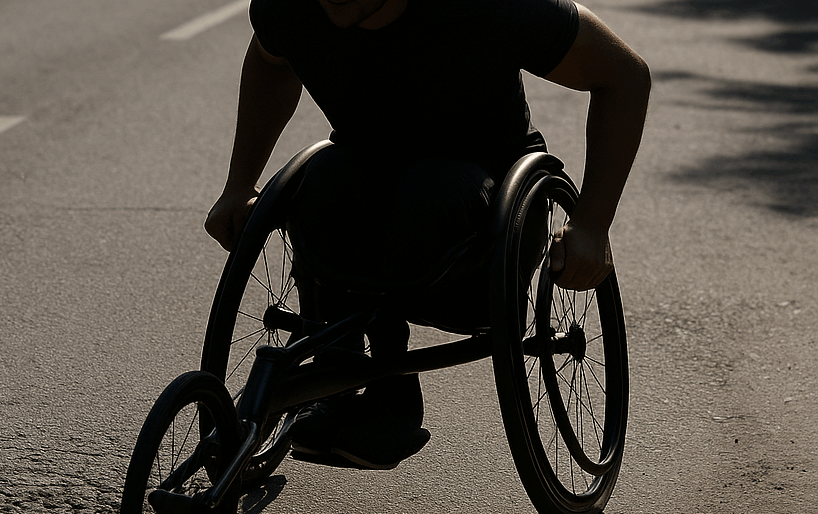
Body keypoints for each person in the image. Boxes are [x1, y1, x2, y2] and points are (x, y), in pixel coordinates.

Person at [205, 0, 650, 469]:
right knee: (321, 180)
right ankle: (337, 375)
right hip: (366, 182)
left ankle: (387, 392)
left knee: (429, 191)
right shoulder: (295, 6)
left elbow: (624, 75)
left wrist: (592, 224)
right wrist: (239, 185)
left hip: (483, 210)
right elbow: (270, 60)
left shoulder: (491, 9)